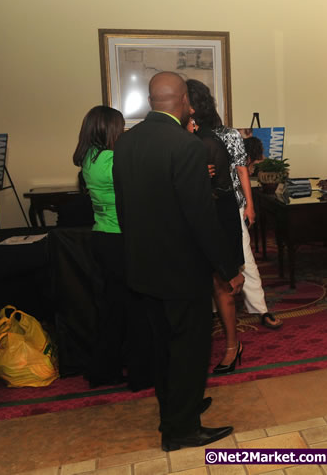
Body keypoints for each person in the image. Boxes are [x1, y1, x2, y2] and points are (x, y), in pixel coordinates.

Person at [113, 72, 244, 451]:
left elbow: (125, 209)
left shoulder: (126, 143)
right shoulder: (186, 146)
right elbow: (200, 219)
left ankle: (174, 410)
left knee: (162, 347)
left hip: (142, 267)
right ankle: (182, 431)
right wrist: (228, 269)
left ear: (152, 99)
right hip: (182, 271)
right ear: (185, 100)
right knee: (189, 349)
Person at [186, 80, 282, 330]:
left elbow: (242, 171)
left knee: (244, 259)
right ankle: (216, 309)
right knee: (205, 261)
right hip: (199, 207)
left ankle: (260, 309)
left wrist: (250, 206)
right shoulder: (184, 134)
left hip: (232, 205)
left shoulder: (228, 134)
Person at [72, 105, 153, 392]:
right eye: (120, 128)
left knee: (114, 308)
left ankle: (103, 369)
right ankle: (140, 373)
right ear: (108, 129)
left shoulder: (90, 158)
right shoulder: (110, 160)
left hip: (103, 237)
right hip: (121, 239)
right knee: (135, 309)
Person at [186, 83, 246, 374]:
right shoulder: (185, 139)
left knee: (223, 287)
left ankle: (232, 346)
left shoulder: (208, 141)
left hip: (217, 222)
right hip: (193, 225)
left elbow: (218, 192)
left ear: (192, 107)